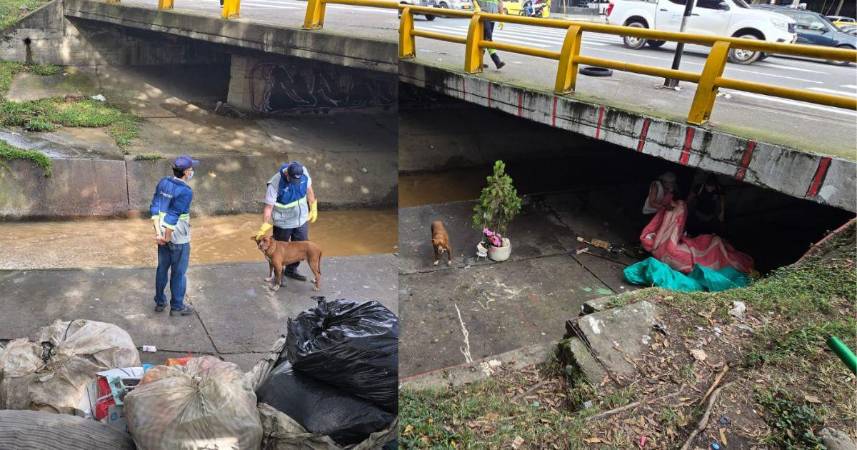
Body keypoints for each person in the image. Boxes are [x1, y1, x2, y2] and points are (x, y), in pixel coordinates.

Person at [150, 155, 198, 317]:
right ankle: (177, 306)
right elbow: (174, 214)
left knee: (162, 268)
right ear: (185, 172)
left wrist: (158, 233)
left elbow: (155, 207)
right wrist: (168, 235)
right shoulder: (185, 191)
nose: (192, 172)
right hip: (177, 236)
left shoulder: (163, 182)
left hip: (161, 232)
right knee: (179, 272)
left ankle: (159, 302)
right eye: (191, 169)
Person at [255, 161, 318, 283]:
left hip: (301, 219)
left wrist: (313, 206)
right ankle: (279, 274)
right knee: (278, 250)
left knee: (300, 246)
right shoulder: (275, 184)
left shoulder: (303, 171)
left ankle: (292, 270)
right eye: (293, 180)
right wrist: (264, 225)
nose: (296, 183)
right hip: (283, 222)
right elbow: (268, 208)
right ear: (287, 175)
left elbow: (309, 190)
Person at [474, 0, 506, 70]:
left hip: (492, 17)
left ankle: (478, 62)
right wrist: (476, 6)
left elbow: (500, 2)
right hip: (483, 16)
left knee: (485, 39)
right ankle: (497, 61)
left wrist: (501, 17)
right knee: (488, 38)